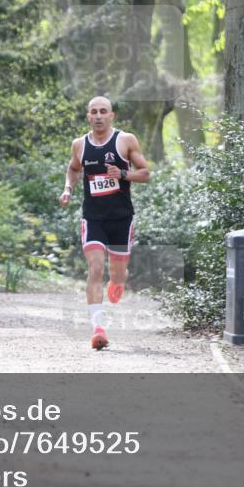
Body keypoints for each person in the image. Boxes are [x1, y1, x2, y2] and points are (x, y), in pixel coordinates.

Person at [59, 96, 150, 350]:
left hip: (121, 218)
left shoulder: (125, 140)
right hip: (93, 217)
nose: (98, 116)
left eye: (103, 111)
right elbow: (74, 168)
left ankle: (118, 281)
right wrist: (68, 189)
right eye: (93, 112)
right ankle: (98, 328)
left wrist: (122, 174)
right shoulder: (79, 144)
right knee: (96, 268)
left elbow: (145, 174)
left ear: (112, 116)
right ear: (88, 117)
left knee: (117, 275)